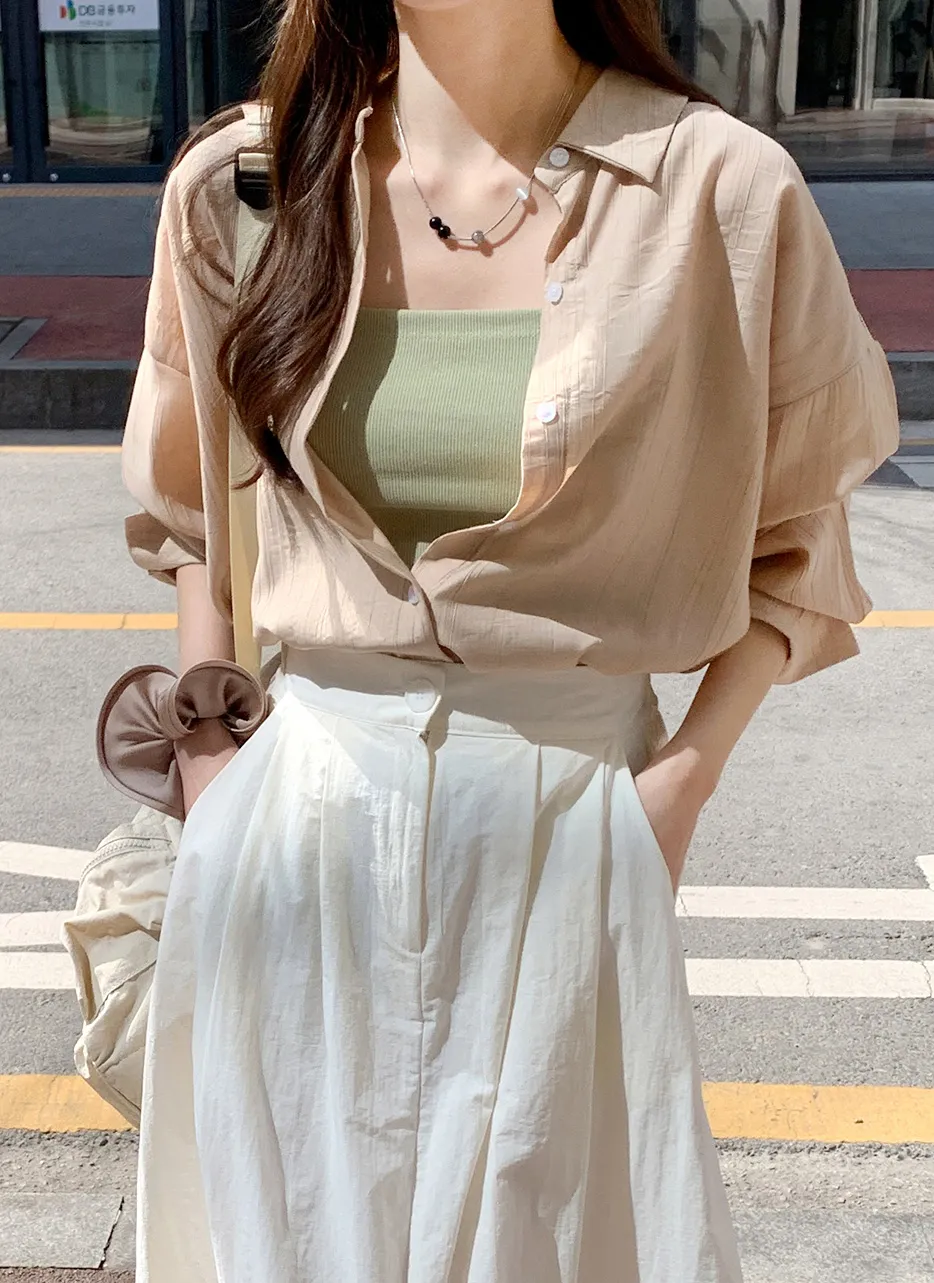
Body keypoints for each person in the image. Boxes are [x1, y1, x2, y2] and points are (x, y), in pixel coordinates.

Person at [107, 1, 900, 1280]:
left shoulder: (717, 190)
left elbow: (800, 536)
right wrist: (211, 765)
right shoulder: (247, 184)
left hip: (573, 822)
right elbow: (194, 510)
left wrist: (676, 789)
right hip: (292, 818)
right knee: (287, 1236)